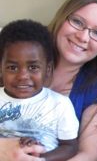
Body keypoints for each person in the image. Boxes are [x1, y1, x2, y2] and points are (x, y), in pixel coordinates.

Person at [0, 0, 97, 161]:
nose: (83, 37)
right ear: (62, 17)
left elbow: (87, 156)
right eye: (77, 21)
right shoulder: (14, 56)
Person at [0, 19, 79, 160]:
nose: (23, 76)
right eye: (13, 67)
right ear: (1, 69)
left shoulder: (60, 104)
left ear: (47, 70)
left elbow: (71, 147)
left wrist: (41, 160)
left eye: (33, 67)